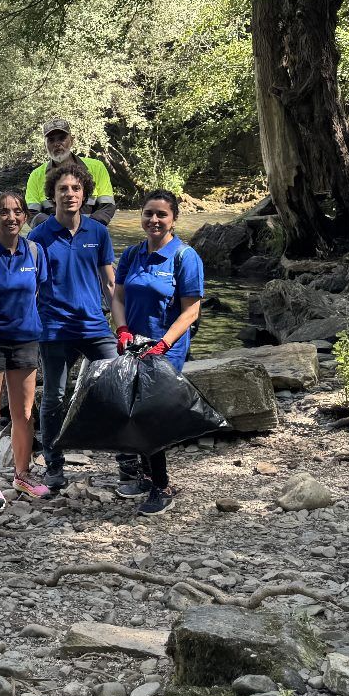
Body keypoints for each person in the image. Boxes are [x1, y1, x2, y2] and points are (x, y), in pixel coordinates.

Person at [110, 190, 205, 515]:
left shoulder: (185, 257)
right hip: (132, 344)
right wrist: (121, 330)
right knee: (131, 409)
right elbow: (118, 297)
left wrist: (163, 344)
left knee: (151, 413)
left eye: (161, 214)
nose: (154, 220)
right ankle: (145, 473)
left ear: (173, 218)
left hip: (167, 348)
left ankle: (161, 486)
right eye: (149, 213)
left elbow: (190, 312)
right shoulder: (132, 255)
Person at [27, 160, 118, 491]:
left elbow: (110, 285)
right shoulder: (39, 236)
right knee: (53, 398)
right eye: (62, 189)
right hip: (53, 330)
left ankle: (127, 462)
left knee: (115, 388)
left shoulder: (98, 232)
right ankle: (54, 464)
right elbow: (30, 287)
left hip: (95, 326)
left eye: (75, 188)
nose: (69, 194)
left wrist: (120, 328)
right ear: (52, 195)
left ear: (85, 194)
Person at [0, 192, 49, 501]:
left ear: (25, 216)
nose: (11, 217)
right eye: (4, 211)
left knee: (24, 412)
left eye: (17, 211)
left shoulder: (34, 251)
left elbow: (39, 292)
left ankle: (22, 475)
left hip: (25, 340)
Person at [24, 119, 117, 226]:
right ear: (45, 145)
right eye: (51, 140)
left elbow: (107, 206)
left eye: (62, 138)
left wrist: (87, 229)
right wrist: (56, 230)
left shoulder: (97, 167)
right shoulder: (36, 175)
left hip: (91, 236)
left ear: (72, 140)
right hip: (51, 238)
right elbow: (31, 213)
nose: (57, 144)